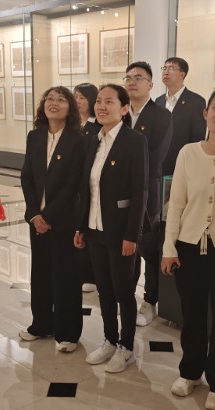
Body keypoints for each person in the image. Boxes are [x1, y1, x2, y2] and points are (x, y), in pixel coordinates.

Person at [161, 87, 215, 410]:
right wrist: (169, 248)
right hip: (189, 247)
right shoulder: (188, 153)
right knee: (192, 315)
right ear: (205, 113)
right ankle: (190, 372)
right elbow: (176, 204)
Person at [74, 84, 148, 373]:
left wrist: (132, 235)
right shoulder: (93, 139)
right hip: (95, 228)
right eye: (99, 102)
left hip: (120, 232)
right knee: (103, 289)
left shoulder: (134, 141)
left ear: (124, 108)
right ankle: (109, 339)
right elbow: (87, 188)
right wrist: (81, 227)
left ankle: (126, 347)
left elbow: (140, 192)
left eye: (109, 102)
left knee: (123, 291)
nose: (102, 106)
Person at [19, 86, 85, 353]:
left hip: (64, 219)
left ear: (70, 108)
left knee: (65, 276)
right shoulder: (35, 136)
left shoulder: (78, 139)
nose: (53, 103)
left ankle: (68, 332)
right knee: (41, 273)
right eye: (49, 98)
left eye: (61, 99)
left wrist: (47, 216)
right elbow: (27, 177)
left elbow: (73, 185)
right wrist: (34, 214)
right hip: (38, 220)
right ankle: (42, 324)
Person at [123, 61, 172, 327]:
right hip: (119, 194)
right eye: (128, 77)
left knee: (149, 249)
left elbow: (154, 158)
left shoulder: (161, 116)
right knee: (126, 247)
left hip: (147, 192)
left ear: (151, 84)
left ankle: (150, 301)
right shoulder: (121, 114)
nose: (132, 81)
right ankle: (126, 297)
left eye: (138, 77)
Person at [156, 57, 207, 176]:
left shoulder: (196, 102)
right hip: (158, 167)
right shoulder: (159, 101)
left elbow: (197, 139)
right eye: (164, 68)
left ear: (182, 74)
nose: (166, 72)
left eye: (171, 68)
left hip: (182, 166)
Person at [73, 82, 102, 294]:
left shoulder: (97, 127)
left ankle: (91, 274)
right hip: (73, 186)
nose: (78, 101)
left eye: (82, 97)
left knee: (88, 230)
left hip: (90, 186)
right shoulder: (73, 125)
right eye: (75, 97)